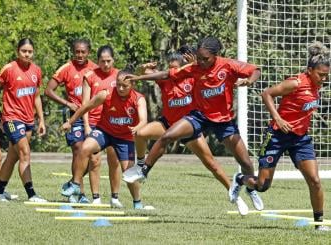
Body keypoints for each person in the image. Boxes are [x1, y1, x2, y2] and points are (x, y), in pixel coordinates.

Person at [123, 36, 264, 211]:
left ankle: (248, 187)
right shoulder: (195, 68)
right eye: (199, 58)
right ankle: (143, 170)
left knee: (247, 164)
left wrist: (250, 80)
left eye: (206, 59)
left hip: (223, 121)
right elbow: (168, 74)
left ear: (216, 55)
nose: (202, 62)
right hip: (200, 116)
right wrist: (138, 78)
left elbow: (256, 69)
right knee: (167, 136)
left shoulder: (228, 65)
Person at [229, 41, 330, 231]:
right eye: (321, 75)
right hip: (276, 135)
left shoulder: (317, 86)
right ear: (309, 70)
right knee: (263, 185)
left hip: (300, 139)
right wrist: (279, 118)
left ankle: (319, 224)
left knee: (315, 180)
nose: (324, 79)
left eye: (327, 76)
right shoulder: (295, 83)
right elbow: (266, 94)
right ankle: (241, 179)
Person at [61, 68, 148, 209]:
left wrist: (138, 126)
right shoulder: (106, 94)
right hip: (105, 132)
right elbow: (85, 107)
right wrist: (70, 122)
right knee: (85, 148)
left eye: (124, 86)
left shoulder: (139, 98)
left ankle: (137, 202)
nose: (120, 88)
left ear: (133, 85)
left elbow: (144, 119)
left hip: (124, 138)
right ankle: (76, 185)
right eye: (118, 84)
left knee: (129, 173)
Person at [0, 38, 46, 202]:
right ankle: (32, 194)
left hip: (28, 120)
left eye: (30, 51)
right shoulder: (9, 69)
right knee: (25, 152)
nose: (27, 54)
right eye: (23, 51)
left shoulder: (36, 71)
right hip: (12, 119)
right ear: (17, 51)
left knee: (12, 157)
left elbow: (37, 96)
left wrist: (41, 120)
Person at [45, 39, 98, 203]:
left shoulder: (95, 69)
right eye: (77, 52)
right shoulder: (66, 68)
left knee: (92, 156)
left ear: (88, 52)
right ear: (73, 52)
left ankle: (73, 183)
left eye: (83, 52)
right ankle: (79, 194)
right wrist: (68, 103)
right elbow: (48, 90)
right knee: (78, 149)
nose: (80, 55)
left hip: (92, 115)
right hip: (73, 116)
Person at [82, 45, 123, 207]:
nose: (106, 64)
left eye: (108, 61)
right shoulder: (90, 76)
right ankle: (96, 198)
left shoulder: (120, 75)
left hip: (113, 123)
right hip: (93, 122)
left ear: (113, 60)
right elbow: (85, 104)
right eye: (102, 61)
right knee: (95, 160)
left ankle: (114, 198)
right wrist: (86, 125)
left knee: (114, 160)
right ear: (97, 61)